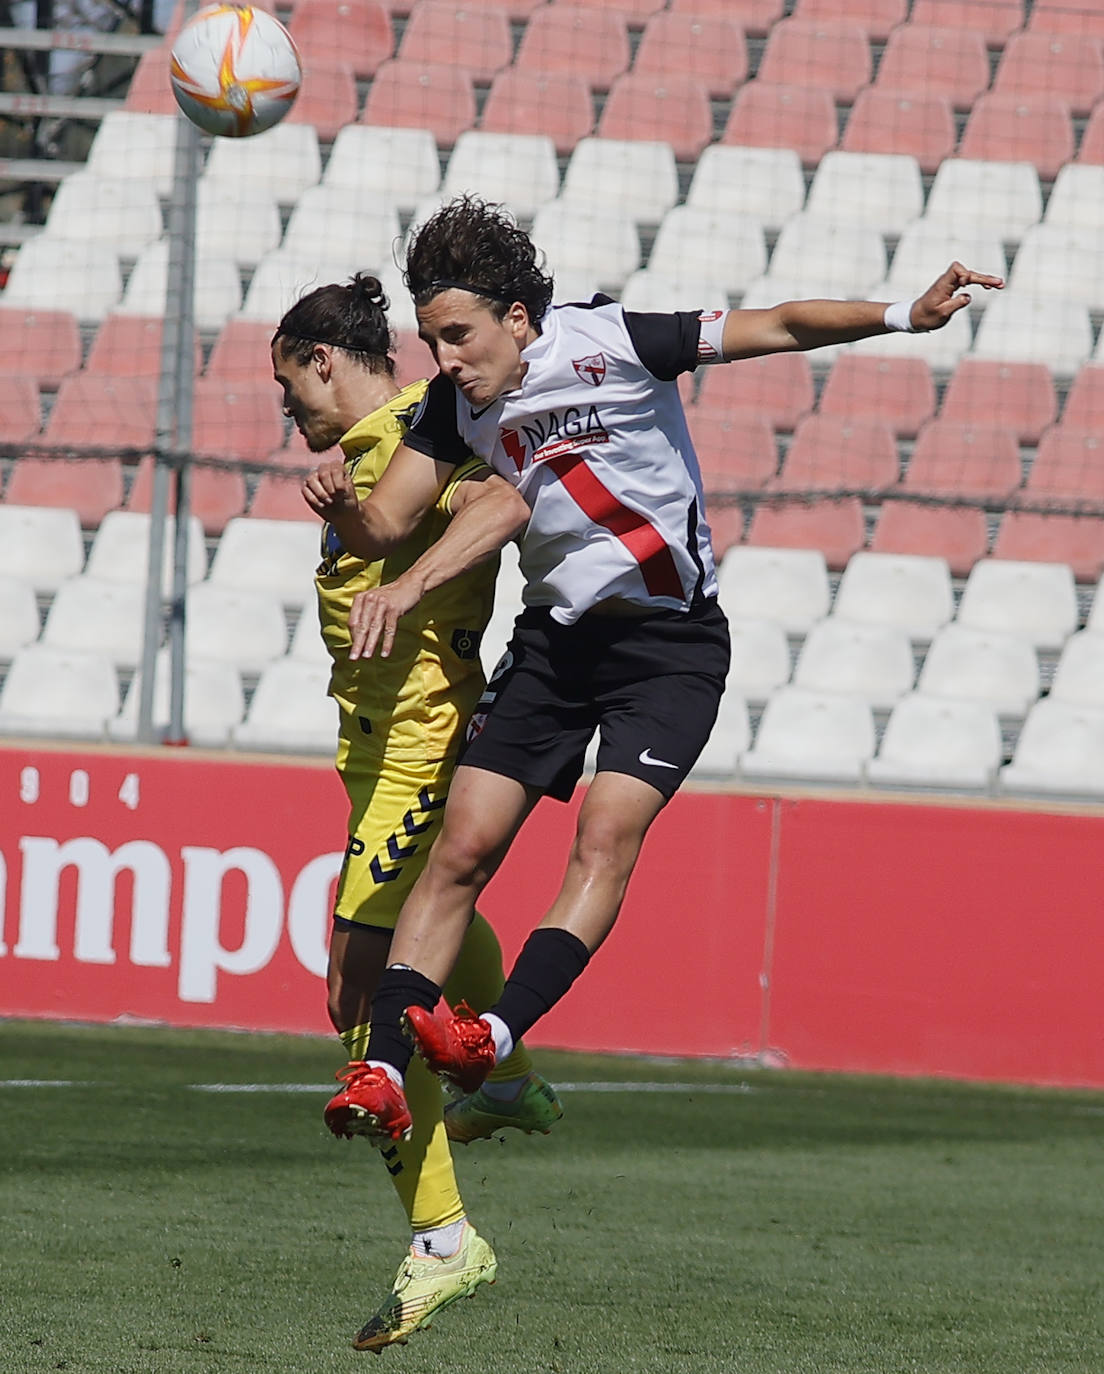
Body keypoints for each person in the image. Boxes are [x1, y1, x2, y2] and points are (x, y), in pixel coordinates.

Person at [313, 196, 1004, 1138]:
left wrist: (902, 315)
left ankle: (498, 1038)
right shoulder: (451, 409)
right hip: (557, 643)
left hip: (669, 647)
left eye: (461, 336)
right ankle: (385, 1070)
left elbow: (781, 325)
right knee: (461, 849)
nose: (447, 361)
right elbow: (385, 523)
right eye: (433, 341)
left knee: (604, 840)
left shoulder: (618, 338)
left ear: (519, 319)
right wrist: (343, 506)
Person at [271, 272, 562, 1353]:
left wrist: (407, 571)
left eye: (288, 383)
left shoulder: (420, 430)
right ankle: (515, 1078)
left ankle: (443, 1240)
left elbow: (505, 494)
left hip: (421, 741)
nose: (288, 410)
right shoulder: (367, 456)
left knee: (357, 977)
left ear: (325, 359)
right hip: (369, 740)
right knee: (428, 918)